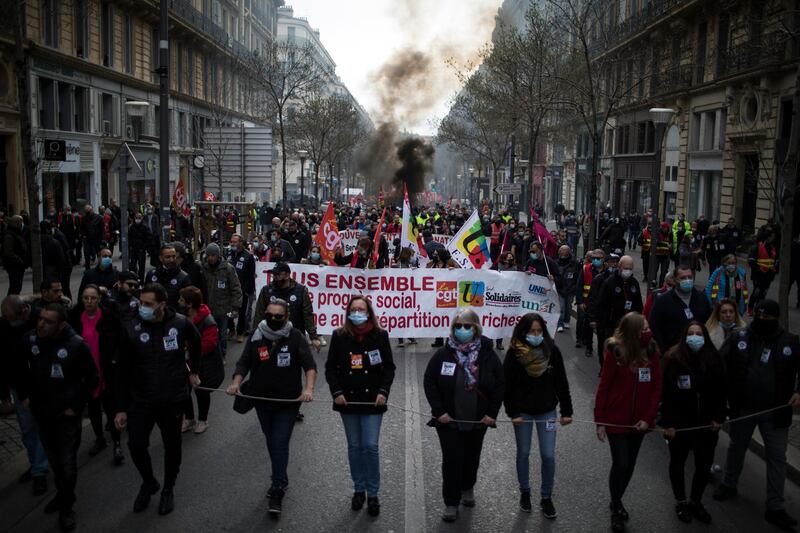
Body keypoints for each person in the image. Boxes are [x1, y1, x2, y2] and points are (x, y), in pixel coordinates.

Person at [114, 283, 201, 516]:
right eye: (141, 303)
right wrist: (120, 408)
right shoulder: (131, 327)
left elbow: (197, 343)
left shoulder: (180, 324)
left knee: (172, 446)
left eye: (148, 304)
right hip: (140, 400)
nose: (142, 307)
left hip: (172, 399)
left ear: (162, 304)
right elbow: (121, 370)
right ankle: (149, 481)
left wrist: (193, 371)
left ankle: (168, 488)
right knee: (136, 444)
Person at [713, 299, 800, 531]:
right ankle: (729, 484)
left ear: (776, 319)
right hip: (744, 407)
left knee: (777, 458)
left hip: (776, 411)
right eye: (759, 317)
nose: (762, 321)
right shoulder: (740, 337)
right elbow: (719, 365)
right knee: (736, 447)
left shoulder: (790, 342)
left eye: (768, 318)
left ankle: (776, 506)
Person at [226, 299, 317, 516]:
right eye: (270, 316)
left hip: (287, 402)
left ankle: (277, 488)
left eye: (279, 317)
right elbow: (244, 361)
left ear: (286, 317)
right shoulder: (258, 335)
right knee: (271, 439)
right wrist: (236, 382)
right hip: (261, 400)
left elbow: (309, 365)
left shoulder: (295, 336)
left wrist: (309, 389)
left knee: (279, 442)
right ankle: (281, 477)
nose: (273, 320)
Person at [18, 303, 98, 532]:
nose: (41, 324)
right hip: (42, 414)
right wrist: (24, 396)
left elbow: (92, 378)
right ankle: (63, 494)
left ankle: (66, 507)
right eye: (40, 319)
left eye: (48, 321)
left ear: (61, 324)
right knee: (55, 462)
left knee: (68, 464)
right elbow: (19, 368)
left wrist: (76, 406)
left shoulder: (76, 346)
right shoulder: (30, 340)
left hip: (66, 417)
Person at [423, 309, 505, 523]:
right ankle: (451, 501)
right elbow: (430, 381)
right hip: (449, 421)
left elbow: (499, 384)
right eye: (458, 326)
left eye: (467, 326)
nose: (462, 330)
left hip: (479, 420)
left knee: (471, 457)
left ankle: (468, 487)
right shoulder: (443, 353)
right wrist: (439, 411)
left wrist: (492, 413)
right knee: (452, 460)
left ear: (476, 328)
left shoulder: (488, 354)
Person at [325, 296, 396, 517]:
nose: (357, 312)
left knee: (370, 446)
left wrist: (383, 392)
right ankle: (359, 489)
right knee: (355, 446)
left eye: (361, 309)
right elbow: (330, 369)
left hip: (373, 400)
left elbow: (389, 368)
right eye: (353, 309)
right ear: (348, 312)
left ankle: (373, 493)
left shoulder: (380, 335)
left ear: (369, 312)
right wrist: (336, 392)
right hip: (348, 400)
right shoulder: (339, 336)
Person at [594, 312, 662, 533]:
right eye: (643, 329)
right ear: (632, 331)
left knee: (630, 465)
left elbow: (656, 388)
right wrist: (600, 421)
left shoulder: (652, 351)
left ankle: (617, 500)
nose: (648, 332)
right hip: (617, 420)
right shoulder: (616, 352)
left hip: (639, 423)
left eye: (648, 328)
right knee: (621, 463)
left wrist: (647, 417)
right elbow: (604, 386)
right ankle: (615, 509)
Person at [504, 313, 572, 518]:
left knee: (548, 455)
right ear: (524, 332)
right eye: (532, 331)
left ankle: (546, 497)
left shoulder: (553, 352)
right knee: (523, 453)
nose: (535, 335)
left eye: (539, 331)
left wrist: (567, 411)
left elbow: (562, 382)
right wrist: (512, 412)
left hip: (547, 411)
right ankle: (525, 492)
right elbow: (507, 386)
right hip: (522, 413)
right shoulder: (514, 354)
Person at [660, 322, 726, 524]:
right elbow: (667, 395)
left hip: (706, 426)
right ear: (684, 336)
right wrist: (667, 424)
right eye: (691, 333)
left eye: (699, 333)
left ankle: (695, 500)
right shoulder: (673, 359)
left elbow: (721, 393)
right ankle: (681, 501)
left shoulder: (714, 360)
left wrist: (719, 418)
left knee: (704, 465)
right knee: (677, 463)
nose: (695, 337)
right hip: (680, 425)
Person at [68, 285, 124, 465]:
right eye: (86, 298)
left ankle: (117, 442)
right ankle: (99, 438)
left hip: (107, 370)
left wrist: (115, 360)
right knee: (93, 408)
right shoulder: (75, 317)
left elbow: (120, 342)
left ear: (99, 299)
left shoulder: (109, 317)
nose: (89, 302)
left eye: (93, 298)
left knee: (111, 407)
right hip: (87, 373)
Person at [1, 296, 49, 495]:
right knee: (27, 429)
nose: (10, 323)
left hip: (42, 386)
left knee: (41, 427)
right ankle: (35, 463)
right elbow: (2, 360)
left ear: (24, 311)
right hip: (20, 389)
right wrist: (4, 392)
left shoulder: (41, 319)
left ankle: (40, 470)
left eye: (12, 318)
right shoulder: (4, 326)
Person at [178, 286, 224, 435]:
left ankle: (202, 420)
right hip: (186, 363)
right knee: (184, 391)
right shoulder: (183, 318)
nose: (179, 302)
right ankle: (189, 418)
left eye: (182, 300)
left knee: (201, 392)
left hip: (204, 365)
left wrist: (187, 348)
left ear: (189, 304)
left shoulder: (208, 321)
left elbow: (208, 345)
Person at [593, 256, 644, 368]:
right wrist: (599, 322)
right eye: (626, 268)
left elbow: (639, 304)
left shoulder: (634, 283)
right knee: (609, 350)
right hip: (611, 324)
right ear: (619, 267)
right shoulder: (609, 282)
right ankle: (605, 368)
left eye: (630, 268)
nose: (628, 271)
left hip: (629, 326)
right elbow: (601, 304)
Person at [649, 265, 712, 354]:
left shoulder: (702, 299)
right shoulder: (663, 301)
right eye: (683, 278)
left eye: (690, 277)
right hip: (672, 354)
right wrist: (663, 351)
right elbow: (654, 327)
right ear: (675, 280)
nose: (687, 280)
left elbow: (709, 324)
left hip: (699, 352)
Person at [201, 243, 242, 365]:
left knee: (222, 335)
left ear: (218, 255)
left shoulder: (228, 268)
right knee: (208, 335)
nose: (210, 258)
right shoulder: (203, 268)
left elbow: (236, 288)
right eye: (208, 255)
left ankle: (222, 355)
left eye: (213, 255)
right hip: (207, 309)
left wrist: (235, 307)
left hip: (223, 308)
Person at [587, 253, 620, 368]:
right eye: (612, 262)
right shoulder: (599, 279)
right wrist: (593, 318)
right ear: (606, 263)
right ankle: (603, 366)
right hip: (603, 319)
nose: (614, 264)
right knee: (603, 344)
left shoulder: (621, 280)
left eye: (616, 262)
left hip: (617, 320)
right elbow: (592, 300)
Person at [228, 234, 256, 343]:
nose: (233, 244)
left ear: (241, 243)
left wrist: (249, 290)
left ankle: (240, 333)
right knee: (228, 311)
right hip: (229, 289)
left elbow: (251, 275)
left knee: (242, 312)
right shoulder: (229, 254)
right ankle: (231, 329)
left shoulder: (248, 256)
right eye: (231, 242)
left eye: (235, 242)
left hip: (242, 289)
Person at [575, 249, 605, 355]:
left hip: (601, 305)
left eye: (598, 258)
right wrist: (580, 302)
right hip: (587, 303)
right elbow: (579, 286)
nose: (596, 260)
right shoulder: (586, 269)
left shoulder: (607, 271)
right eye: (594, 258)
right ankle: (589, 347)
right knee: (587, 326)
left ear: (603, 259)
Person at [145, 244, 191, 309]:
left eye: (174, 256)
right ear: (160, 258)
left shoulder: (183, 277)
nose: (171, 260)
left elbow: (187, 302)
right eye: (168, 257)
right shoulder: (151, 274)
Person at [747, 226, 779, 314]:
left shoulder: (773, 248)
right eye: (773, 236)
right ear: (768, 237)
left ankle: (759, 309)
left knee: (763, 293)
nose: (774, 238)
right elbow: (751, 262)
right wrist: (759, 270)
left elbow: (775, 261)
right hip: (758, 275)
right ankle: (750, 308)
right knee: (756, 292)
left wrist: (775, 270)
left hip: (769, 275)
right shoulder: (756, 247)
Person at [554, 245, 579, 333]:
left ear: (568, 252)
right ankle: (559, 324)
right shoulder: (556, 263)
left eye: (565, 251)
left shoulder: (574, 263)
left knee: (568, 306)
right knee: (561, 307)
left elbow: (577, 277)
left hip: (570, 289)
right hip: (560, 289)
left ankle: (566, 320)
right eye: (561, 251)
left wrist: (574, 287)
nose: (563, 253)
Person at [3, 215, 28, 295]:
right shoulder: (10, 235)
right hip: (14, 265)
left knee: (17, 287)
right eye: (20, 223)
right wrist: (19, 260)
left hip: (18, 265)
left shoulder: (16, 233)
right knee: (15, 287)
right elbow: (8, 252)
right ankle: (10, 304)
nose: (22, 225)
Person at [128, 212, 152, 281]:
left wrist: (144, 247)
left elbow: (149, 238)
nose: (137, 219)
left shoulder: (145, 227)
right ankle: (134, 278)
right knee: (132, 265)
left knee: (141, 266)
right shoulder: (132, 226)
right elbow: (129, 237)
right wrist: (131, 246)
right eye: (136, 218)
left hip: (141, 250)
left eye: (139, 218)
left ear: (142, 218)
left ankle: (141, 280)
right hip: (134, 249)